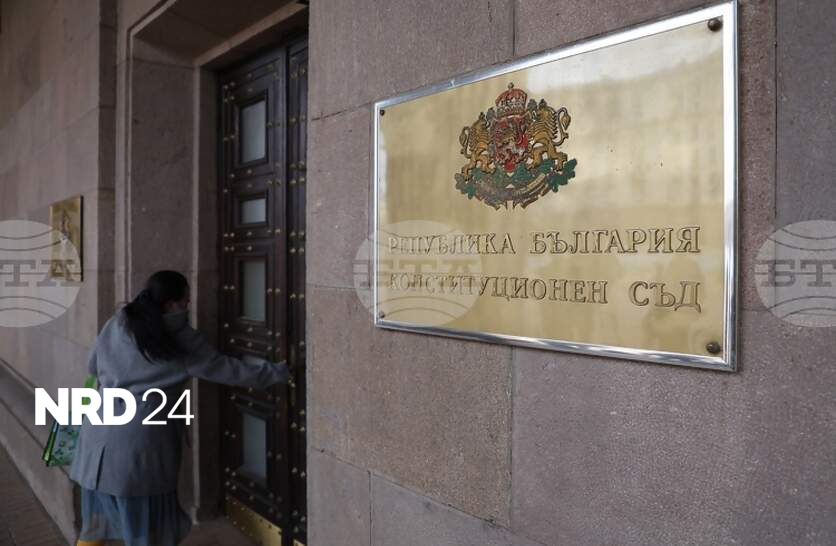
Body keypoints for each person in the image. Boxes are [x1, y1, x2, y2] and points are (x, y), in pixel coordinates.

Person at [69, 270, 290, 546]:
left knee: (94, 527)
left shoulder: (117, 323)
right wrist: (279, 372)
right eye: (185, 300)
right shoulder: (182, 339)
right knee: (147, 533)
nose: (188, 305)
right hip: (141, 448)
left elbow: (93, 366)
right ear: (170, 303)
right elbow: (230, 370)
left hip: (97, 437)